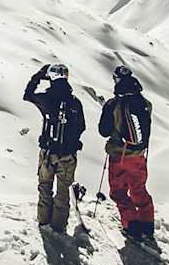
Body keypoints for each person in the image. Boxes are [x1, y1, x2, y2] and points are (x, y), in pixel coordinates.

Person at [23, 63, 86, 231]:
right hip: (68, 155)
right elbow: (81, 127)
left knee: (45, 187)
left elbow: (27, 95)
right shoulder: (75, 102)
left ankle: (44, 222)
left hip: (48, 153)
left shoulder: (46, 98)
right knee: (63, 192)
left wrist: (38, 76)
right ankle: (59, 226)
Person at [99, 65, 155, 243]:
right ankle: (147, 224)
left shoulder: (113, 104)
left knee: (119, 192)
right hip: (139, 155)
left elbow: (104, 131)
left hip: (119, 156)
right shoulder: (145, 103)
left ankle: (132, 226)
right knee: (139, 189)